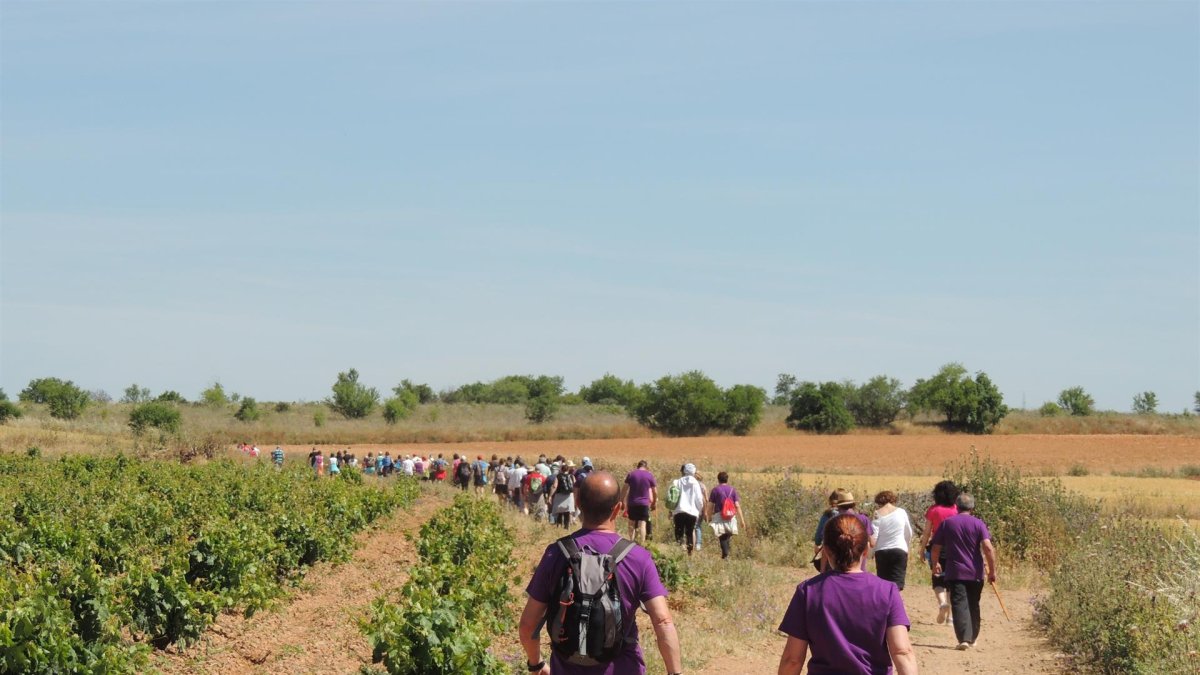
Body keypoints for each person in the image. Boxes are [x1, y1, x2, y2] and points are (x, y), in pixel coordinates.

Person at [518, 471, 682, 675]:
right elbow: (663, 621)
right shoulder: (639, 558)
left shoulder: (555, 553)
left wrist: (536, 664)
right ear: (618, 509)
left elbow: (527, 625)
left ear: (577, 503)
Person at [777, 514, 918, 675]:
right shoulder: (887, 591)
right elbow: (902, 651)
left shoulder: (808, 591)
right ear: (865, 550)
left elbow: (792, 659)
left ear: (827, 551)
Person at [930, 493, 997, 650]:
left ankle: (964, 639)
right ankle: (973, 637)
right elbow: (988, 547)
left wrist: (935, 563)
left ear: (957, 506)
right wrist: (992, 570)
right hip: (976, 572)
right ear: (972, 507)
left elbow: (935, 547)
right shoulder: (979, 523)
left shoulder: (947, 523)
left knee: (959, 604)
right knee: (973, 604)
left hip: (956, 572)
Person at [919, 480, 960, 624]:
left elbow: (926, 532)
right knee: (952, 580)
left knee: (937, 578)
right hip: (955, 548)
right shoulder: (957, 509)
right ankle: (951, 618)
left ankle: (942, 603)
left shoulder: (933, 510)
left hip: (937, 547)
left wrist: (922, 549)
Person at [872, 491, 914, 589]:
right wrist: (906, 547)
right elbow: (908, 532)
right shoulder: (901, 512)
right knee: (897, 584)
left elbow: (874, 535)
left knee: (883, 583)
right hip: (899, 549)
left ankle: (885, 602)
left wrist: (871, 553)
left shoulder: (877, 513)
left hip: (882, 551)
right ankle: (894, 602)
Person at [707, 471, 746, 559]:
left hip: (719, 516)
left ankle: (725, 555)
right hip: (731, 516)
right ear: (727, 479)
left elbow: (710, 506)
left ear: (718, 480)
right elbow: (737, 505)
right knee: (727, 536)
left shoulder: (715, 490)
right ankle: (726, 555)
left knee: (722, 536)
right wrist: (742, 520)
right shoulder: (732, 490)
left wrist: (709, 517)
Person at [669, 464, 706, 556]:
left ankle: (681, 547)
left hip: (679, 511)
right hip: (692, 512)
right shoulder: (696, 483)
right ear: (694, 472)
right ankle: (690, 552)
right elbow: (699, 499)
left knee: (679, 531)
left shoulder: (676, 482)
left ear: (684, 471)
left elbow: (672, 497)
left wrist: (670, 510)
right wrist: (699, 510)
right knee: (690, 532)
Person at [620, 461, 658, 545]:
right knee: (642, 524)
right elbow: (655, 491)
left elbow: (624, 489)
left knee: (631, 522)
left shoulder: (631, 474)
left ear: (638, 466)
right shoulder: (649, 475)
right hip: (644, 504)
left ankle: (631, 541)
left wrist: (621, 500)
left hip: (632, 503)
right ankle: (642, 544)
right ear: (646, 467)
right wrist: (654, 502)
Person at [550, 462, 576, 529]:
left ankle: (559, 526)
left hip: (559, 495)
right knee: (567, 511)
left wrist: (550, 495)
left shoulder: (558, 476)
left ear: (561, 469)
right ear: (568, 469)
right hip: (569, 495)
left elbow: (555, 486)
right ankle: (566, 527)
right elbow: (575, 485)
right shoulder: (572, 476)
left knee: (560, 511)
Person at [693, 470, 707, 551]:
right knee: (698, 527)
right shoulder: (703, 486)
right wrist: (705, 511)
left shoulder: (692, 485)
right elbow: (706, 499)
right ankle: (698, 544)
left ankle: (692, 542)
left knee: (691, 527)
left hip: (692, 508)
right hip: (701, 508)